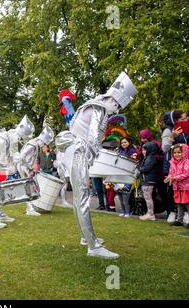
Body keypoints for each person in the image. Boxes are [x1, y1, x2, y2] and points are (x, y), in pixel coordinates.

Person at [55, 72, 138, 259]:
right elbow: (92, 139)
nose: (115, 110)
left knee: (79, 198)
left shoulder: (89, 105)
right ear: (111, 99)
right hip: (80, 153)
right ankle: (93, 246)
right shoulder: (99, 110)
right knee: (83, 198)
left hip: (73, 153)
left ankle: (87, 237)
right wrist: (92, 158)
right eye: (116, 105)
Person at [0, 115, 35, 226]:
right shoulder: (4, 138)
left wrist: (16, 161)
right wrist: (5, 167)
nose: (20, 140)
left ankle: (0, 214)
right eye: (20, 137)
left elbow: (13, 155)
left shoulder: (11, 139)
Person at [17, 125, 55, 215]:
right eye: (44, 143)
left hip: (26, 167)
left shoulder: (35, 144)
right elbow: (22, 156)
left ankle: (31, 207)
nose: (44, 146)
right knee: (28, 187)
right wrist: (27, 167)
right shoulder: (33, 145)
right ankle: (30, 209)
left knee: (31, 187)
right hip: (24, 167)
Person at [164, 144, 189, 226]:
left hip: (186, 187)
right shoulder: (173, 163)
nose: (176, 154)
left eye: (179, 152)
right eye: (174, 152)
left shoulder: (186, 162)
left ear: (184, 152)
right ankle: (180, 220)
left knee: (187, 203)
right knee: (179, 204)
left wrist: (175, 178)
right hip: (177, 187)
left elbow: (186, 174)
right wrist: (169, 177)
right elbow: (171, 173)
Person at [115, 137, 137, 217]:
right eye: (122, 143)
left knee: (126, 195)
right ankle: (123, 211)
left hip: (128, 175)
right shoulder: (119, 151)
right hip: (120, 174)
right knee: (120, 193)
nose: (123, 144)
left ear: (129, 142)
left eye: (125, 142)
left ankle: (128, 212)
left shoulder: (132, 151)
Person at [138, 142, 160, 221]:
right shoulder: (148, 158)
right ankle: (149, 213)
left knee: (148, 198)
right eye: (143, 150)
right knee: (148, 197)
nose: (143, 152)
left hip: (148, 180)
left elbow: (146, 169)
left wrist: (139, 169)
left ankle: (150, 214)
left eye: (145, 150)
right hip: (147, 180)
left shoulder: (150, 158)